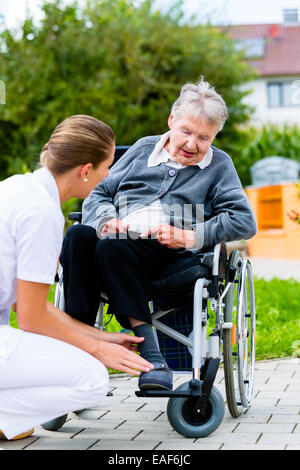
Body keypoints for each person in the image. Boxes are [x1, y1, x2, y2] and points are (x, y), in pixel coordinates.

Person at [60, 79, 257, 392]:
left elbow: (244, 220)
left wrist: (189, 235)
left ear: (214, 137)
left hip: (170, 254)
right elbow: (100, 190)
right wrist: (107, 219)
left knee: (113, 248)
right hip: (117, 242)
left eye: (204, 137)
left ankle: (152, 358)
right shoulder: (142, 149)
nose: (192, 144)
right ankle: (77, 347)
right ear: (171, 121)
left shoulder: (219, 166)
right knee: (78, 237)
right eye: (186, 132)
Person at [0, 115, 154, 441]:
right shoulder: (43, 213)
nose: (109, 175)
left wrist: (99, 338)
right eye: (107, 167)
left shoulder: (17, 187)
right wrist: (97, 351)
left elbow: (23, 305)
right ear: (86, 171)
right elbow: (30, 317)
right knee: (93, 380)